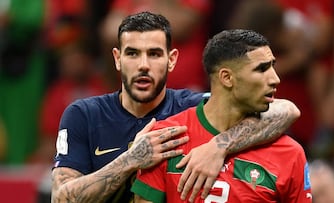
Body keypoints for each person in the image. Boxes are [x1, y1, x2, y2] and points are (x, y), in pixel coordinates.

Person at [51, 12, 300, 203]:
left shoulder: (191, 107)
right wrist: (130, 160)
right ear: (118, 59)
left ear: (172, 60)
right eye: (133, 54)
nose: (144, 65)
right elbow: (60, 198)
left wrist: (218, 146)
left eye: (155, 54)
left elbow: (286, 110)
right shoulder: (84, 114)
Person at [132, 29, 311, 202]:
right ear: (226, 78)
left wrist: (218, 147)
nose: (275, 79)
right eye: (262, 69)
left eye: (273, 66)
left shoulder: (290, 153)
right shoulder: (165, 141)